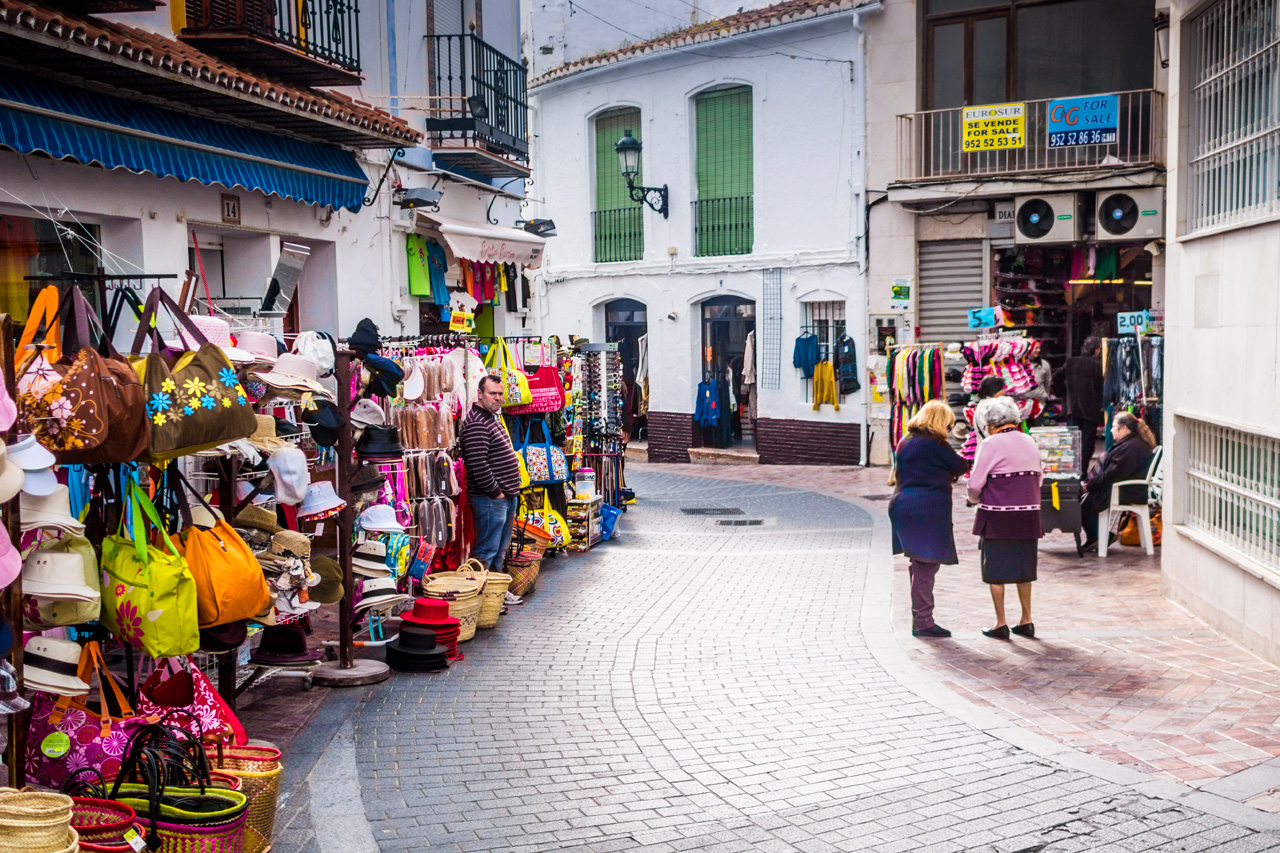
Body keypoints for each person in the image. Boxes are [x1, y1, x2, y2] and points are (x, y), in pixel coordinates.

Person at [889, 400, 969, 639]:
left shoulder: (905, 440)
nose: (948, 430)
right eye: (948, 425)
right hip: (925, 510)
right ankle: (923, 622)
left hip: (903, 505)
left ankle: (920, 618)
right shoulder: (936, 444)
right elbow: (960, 465)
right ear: (940, 422)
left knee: (918, 561)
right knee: (926, 564)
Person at [967, 397, 1044, 640]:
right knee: (1024, 567)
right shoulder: (1029, 441)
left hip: (998, 515)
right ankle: (1026, 619)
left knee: (995, 569)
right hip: (1029, 515)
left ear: (990, 423)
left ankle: (1000, 622)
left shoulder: (990, 444)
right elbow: (1039, 478)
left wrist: (972, 499)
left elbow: (975, 483)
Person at [461, 375, 523, 570]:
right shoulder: (477, 422)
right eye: (492, 393)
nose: (498, 398)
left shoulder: (489, 418)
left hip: (502, 498)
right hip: (490, 499)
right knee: (486, 551)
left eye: (500, 394)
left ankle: (496, 594)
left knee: (499, 550)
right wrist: (497, 493)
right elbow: (478, 464)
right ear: (480, 394)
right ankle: (481, 594)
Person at [1079, 411, 1157, 554]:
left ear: (1124, 429)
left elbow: (1111, 475)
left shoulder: (1132, 447)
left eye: (1114, 426)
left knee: (1086, 502)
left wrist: (1089, 486)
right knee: (1085, 500)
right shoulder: (1130, 444)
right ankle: (1097, 537)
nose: (1110, 430)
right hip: (1124, 487)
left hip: (1127, 491)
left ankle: (1102, 538)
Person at [1055, 336, 1105, 473]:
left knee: (1073, 442)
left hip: (1073, 409)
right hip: (1090, 411)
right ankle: (1082, 472)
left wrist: (1064, 395)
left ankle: (1072, 471)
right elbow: (1103, 388)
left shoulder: (1071, 362)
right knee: (1087, 444)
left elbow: (1056, 378)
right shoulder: (1098, 365)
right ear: (1096, 350)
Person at [972, 376, 1008, 448]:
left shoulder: (982, 404)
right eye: (1001, 389)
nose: (1004, 392)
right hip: (993, 451)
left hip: (985, 449)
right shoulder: (992, 406)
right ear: (993, 389)